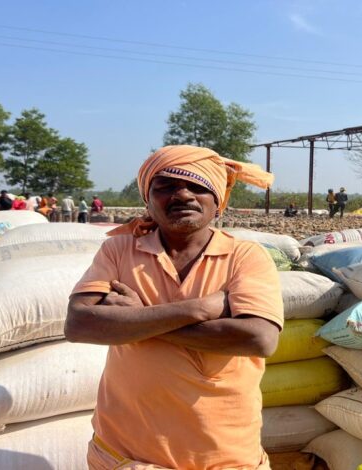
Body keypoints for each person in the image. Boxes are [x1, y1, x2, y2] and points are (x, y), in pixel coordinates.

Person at [66, 145, 281, 470]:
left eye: (197, 186)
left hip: (224, 458)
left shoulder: (245, 257)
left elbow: (259, 339)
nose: (182, 195)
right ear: (148, 201)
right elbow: (80, 324)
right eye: (165, 187)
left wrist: (138, 317)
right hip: (123, 457)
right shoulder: (118, 250)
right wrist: (197, 309)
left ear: (217, 201)